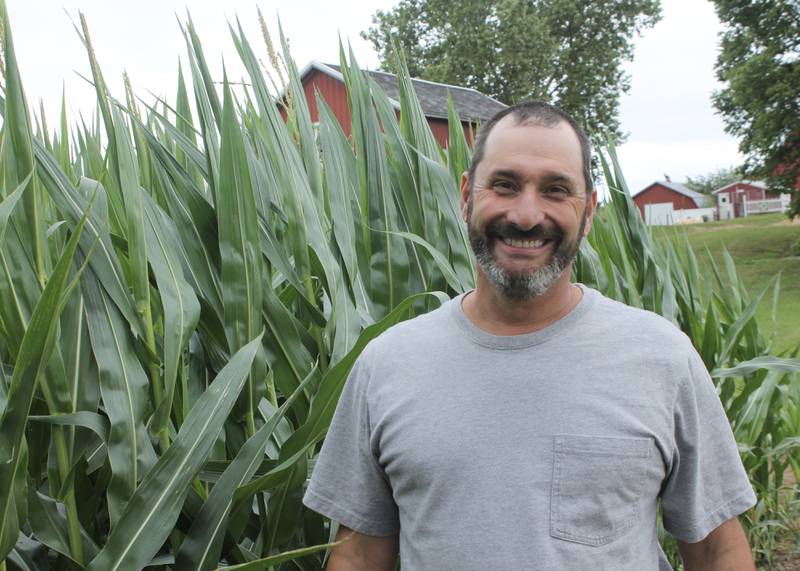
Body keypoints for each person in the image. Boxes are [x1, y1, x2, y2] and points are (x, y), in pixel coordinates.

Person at [302, 101, 757, 570]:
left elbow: (717, 548)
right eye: (505, 185)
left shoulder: (662, 359)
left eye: (556, 190)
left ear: (589, 212)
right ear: (466, 195)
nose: (525, 215)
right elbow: (358, 554)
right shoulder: (386, 364)